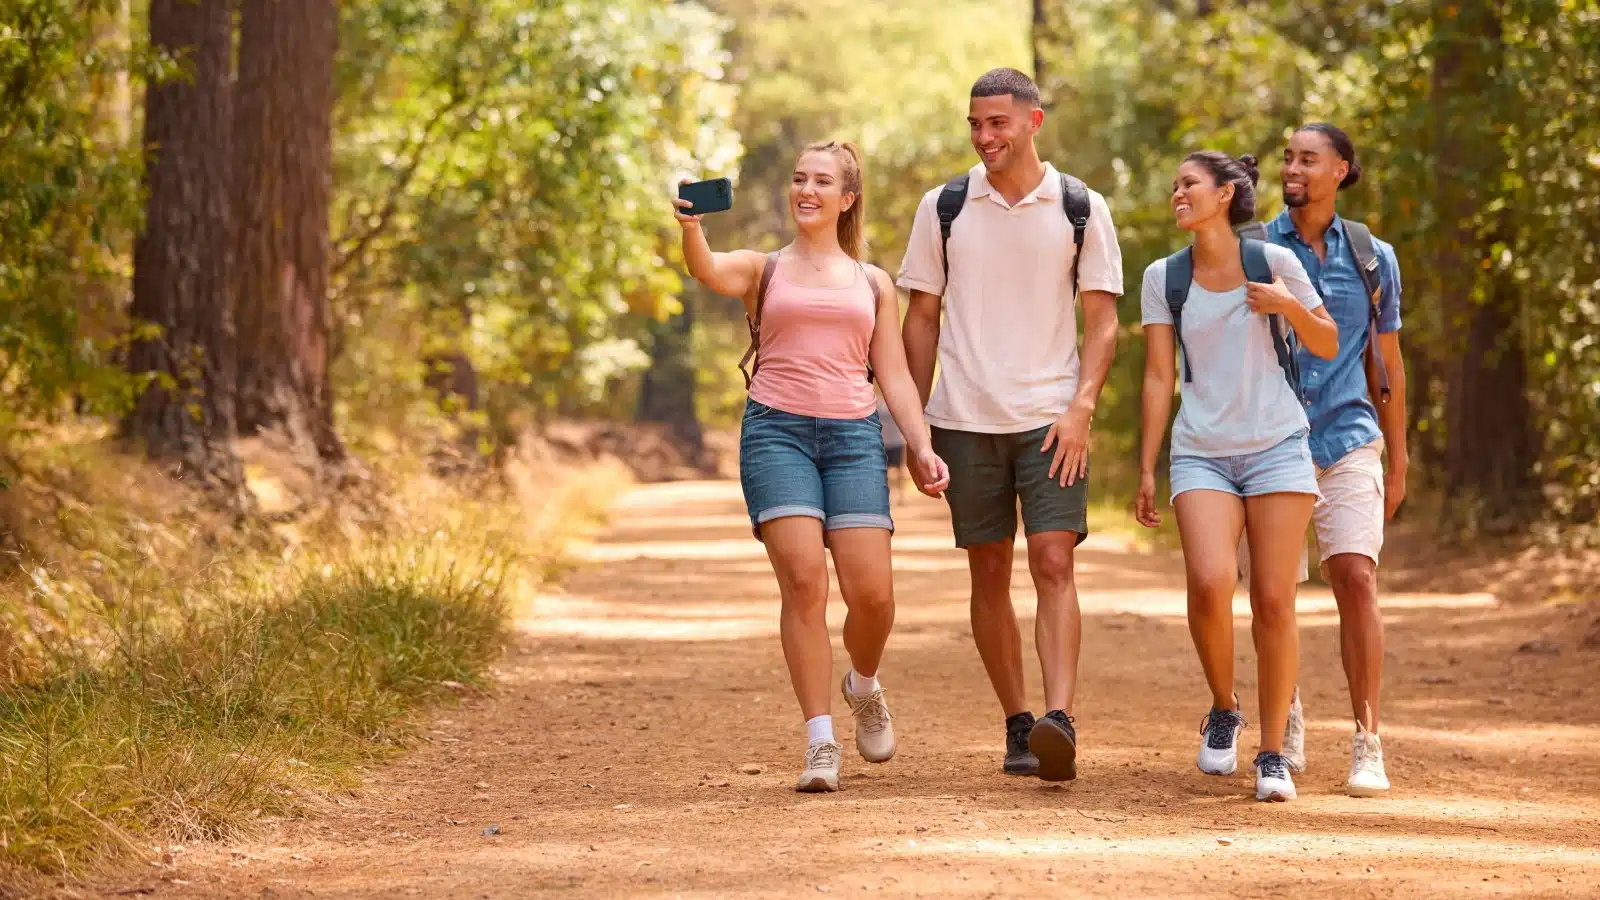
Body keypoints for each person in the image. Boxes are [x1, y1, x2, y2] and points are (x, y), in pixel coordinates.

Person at [674, 140, 950, 793]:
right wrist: (691, 227)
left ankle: (864, 683)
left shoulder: (872, 282)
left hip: (854, 438)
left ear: (847, 198)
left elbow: (895, 377)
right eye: (799, 179)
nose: (807, 190)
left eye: (822, 181)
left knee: (873, 596)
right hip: (777, 435)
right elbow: (708, 270)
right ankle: (820, 741)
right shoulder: (763, 270)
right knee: (803, 584)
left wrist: (920, 444)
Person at [899, 68, 1124, 782]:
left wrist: (1082, 406)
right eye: (975, 123)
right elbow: (921, 317)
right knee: (989, 569)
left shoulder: (1082, 207)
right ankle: (1019, 722)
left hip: (1051, 418)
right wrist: (914, 425)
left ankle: (1061, 718)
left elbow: (1104, 320)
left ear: (1034, 122)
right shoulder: (944, 207)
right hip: (964, 418)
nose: (984, 136)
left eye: (997, 122)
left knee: (1054, 561)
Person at [1134, 151, 1340, 802]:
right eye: (1174, 186)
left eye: (1188, 184)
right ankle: (1225, 706)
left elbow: (1328, 341)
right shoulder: (1164, 278)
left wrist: (1286, 304)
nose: (1178, 194)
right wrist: (1145, 464)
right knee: (1209, 581)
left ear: (1225, 194)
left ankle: (1273, 752)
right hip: (1202, 449)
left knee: (1275, 599)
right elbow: (1160, 374)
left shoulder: (1274, 264)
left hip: (1278, 444)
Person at [1237, 123, 1408, 797]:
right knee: (1272, 594)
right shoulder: (1251, 248)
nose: (1294, 168)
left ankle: (1368, 739)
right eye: (1288, 158)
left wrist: (1398, 462)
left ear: (1341, 169)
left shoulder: (1371, 257)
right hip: (1269, 440)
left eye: (1309, 158)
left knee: (1356, 579)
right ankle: (1289, 714)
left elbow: (1387, 361)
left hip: (1348, 436)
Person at [877, 392, 908, 502]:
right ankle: (886, 495)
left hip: (896, 440)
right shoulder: (876, 401)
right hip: (882, 441)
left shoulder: (897, 400)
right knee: (883, 471)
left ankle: (901, 495)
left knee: (899, 470)